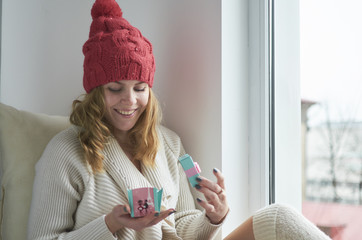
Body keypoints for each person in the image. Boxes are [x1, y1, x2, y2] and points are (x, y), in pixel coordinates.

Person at [27, 0, 331, 239]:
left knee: (277, 218)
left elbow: (184, 227)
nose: (130, 100)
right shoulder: (66, 151)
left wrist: (213, 217)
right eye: (115, 88)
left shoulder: (168, 144)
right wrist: (109, 224)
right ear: (95, 92)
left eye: (140, 88)